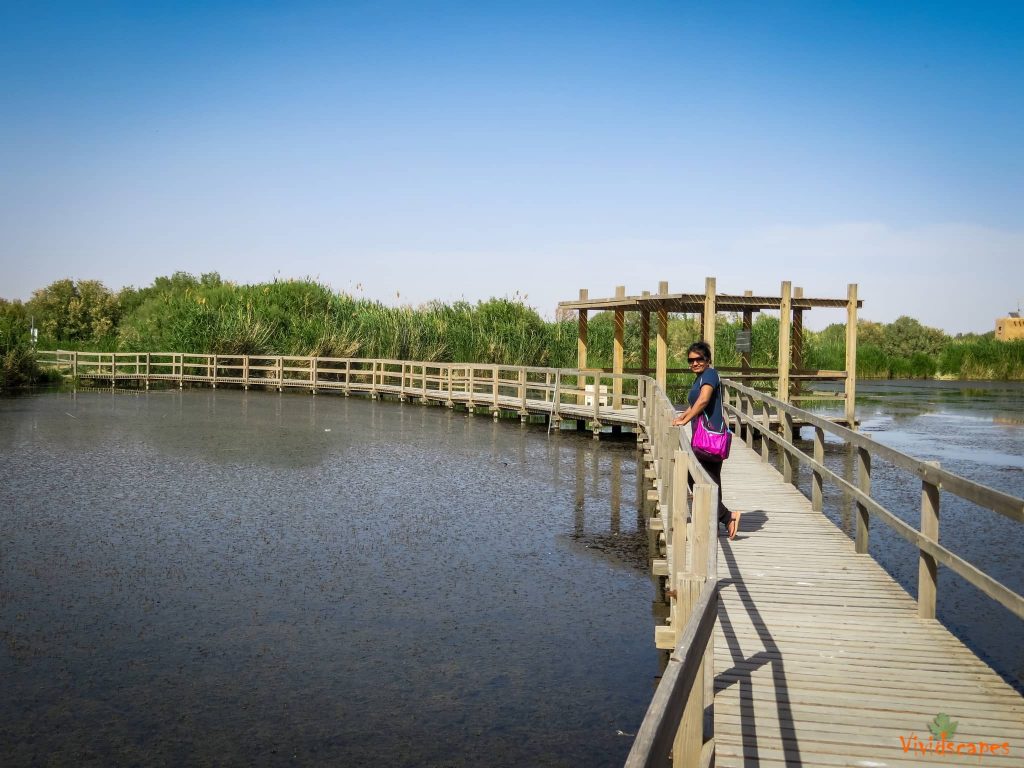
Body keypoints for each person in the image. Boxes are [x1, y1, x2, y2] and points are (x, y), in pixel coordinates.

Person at [671, 341, 741, 539]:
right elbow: (695, 403)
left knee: (692, 474)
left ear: (707, 359)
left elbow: (703, 401)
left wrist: (684, 420)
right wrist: (681, 417)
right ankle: (719, 522)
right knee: (711, 480)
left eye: (698, 359)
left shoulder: (710, 374)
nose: (694, 363)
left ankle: (727, 517)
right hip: (705, 436)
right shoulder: (700, 378)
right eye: (691, 360)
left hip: (709, 436)